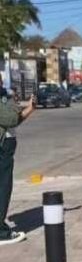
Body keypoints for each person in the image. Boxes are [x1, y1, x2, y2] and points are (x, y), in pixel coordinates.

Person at [0, 82, 36, 245]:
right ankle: (1, 232)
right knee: (3, 187)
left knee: (4, 187)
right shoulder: (4, 99)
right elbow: (11, 118)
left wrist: (29, 108)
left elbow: (14, 119)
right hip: (2, 150)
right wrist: (14, 104)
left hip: (6, 148)